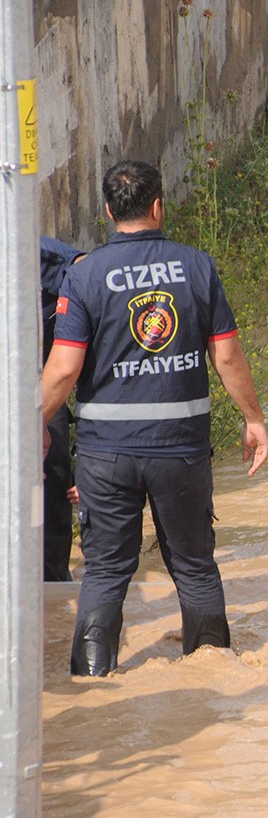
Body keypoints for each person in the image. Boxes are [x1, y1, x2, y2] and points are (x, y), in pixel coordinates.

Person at [41, 160, 268, 677]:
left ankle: (93, 686)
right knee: (193, 568)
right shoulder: (197, 267)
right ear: (158, 206)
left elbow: (63, 368)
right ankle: (215, 679)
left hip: (106, 457)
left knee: (104, 571)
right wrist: (254, 418)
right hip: (181, 452)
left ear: (107, 211)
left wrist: (32, 421)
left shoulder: (83, 275)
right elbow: (228, 358)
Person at [40, 235, 87, 582]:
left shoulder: (32, 250)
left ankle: (53, 580)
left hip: (40, 384)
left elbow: (86, 270)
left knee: (53, 478)